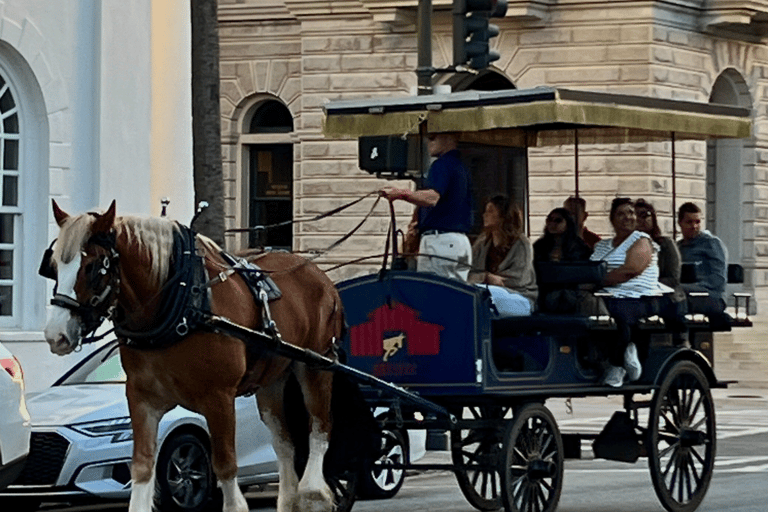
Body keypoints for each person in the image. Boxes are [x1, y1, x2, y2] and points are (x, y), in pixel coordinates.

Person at [590, 198, 673, 387]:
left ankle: (617, 364)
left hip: (639, 295)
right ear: (612, 219)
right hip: (605, 294)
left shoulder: (642, 240)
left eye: (631, 213)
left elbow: (631, 269)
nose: (627, 217)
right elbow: (590, 268)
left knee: (619, 313)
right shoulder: (601, 246)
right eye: (621, 213)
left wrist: (596, 280)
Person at [380, 132, 473, 281]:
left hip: (440, 242)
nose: (428, 141)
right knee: (455, 296)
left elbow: (432, 197)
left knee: (432, 294)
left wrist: (401, 194)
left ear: (449, 136)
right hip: (460, 243)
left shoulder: (442, 164)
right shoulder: (461, 167)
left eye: (433, 136)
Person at [468, 195, 537, 317]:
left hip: (518, 297)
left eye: (490, 211)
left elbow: (519, 279)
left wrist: (487, 281)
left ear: (503, 216)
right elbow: (469, 273)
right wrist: (486, 277)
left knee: (484, 298)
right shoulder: (482, 243)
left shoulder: (521, 243)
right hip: (487, 291)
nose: (484, 215)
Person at [634, 199, 688, 344]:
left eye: (646, 215)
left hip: (665, 295)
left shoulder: (665, 244)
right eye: (637, 215)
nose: (642, 219)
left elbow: (673, 278)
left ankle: (680, 340)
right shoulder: (623, 246)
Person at [676, 202, 729, 327]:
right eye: (689, 222)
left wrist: (690, 287)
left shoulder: (711, 244)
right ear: (680, 223)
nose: (694, 226)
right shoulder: (678, 247)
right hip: (686, 292)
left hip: (712, 295)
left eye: (697, 222)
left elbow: (718, 279)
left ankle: (681, 338)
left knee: (674, 295)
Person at [533, 207, 595, 314]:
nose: (552, 223)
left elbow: (586, 275)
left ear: (568, 223)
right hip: (545, 292)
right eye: (549, 220)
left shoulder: (580, 248)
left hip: (572, 292)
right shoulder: (539, 246)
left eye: (558, 220)